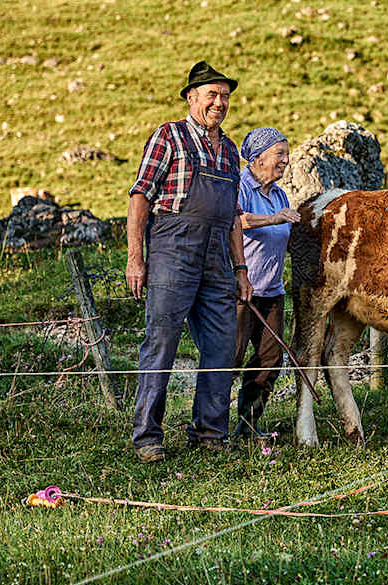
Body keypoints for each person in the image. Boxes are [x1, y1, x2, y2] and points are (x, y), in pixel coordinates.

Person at [125, 61, 253, 463]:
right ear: (191, 97)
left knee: (220, 344)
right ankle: (148, 436)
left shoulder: (230, 150)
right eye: (212, 95)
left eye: (225, 96)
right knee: (161, 344)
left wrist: (241, 268)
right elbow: (140, 196)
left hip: (217, 255)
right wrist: (136, 259)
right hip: (172, 250)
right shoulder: (170, 136)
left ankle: (210, 432)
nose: (219, 103)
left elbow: (233, 214)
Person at [232, 127, 300, 439]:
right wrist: (275, 219)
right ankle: (210, 429)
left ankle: (247, 426)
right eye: (280, 154)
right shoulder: (240, 187)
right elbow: (238, 221)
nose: (286, 160)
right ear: (258, 158)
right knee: (228, 359)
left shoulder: (280, 195)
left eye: (287, 154)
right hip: (240, 290)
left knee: (270, 359)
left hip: (272, 290)